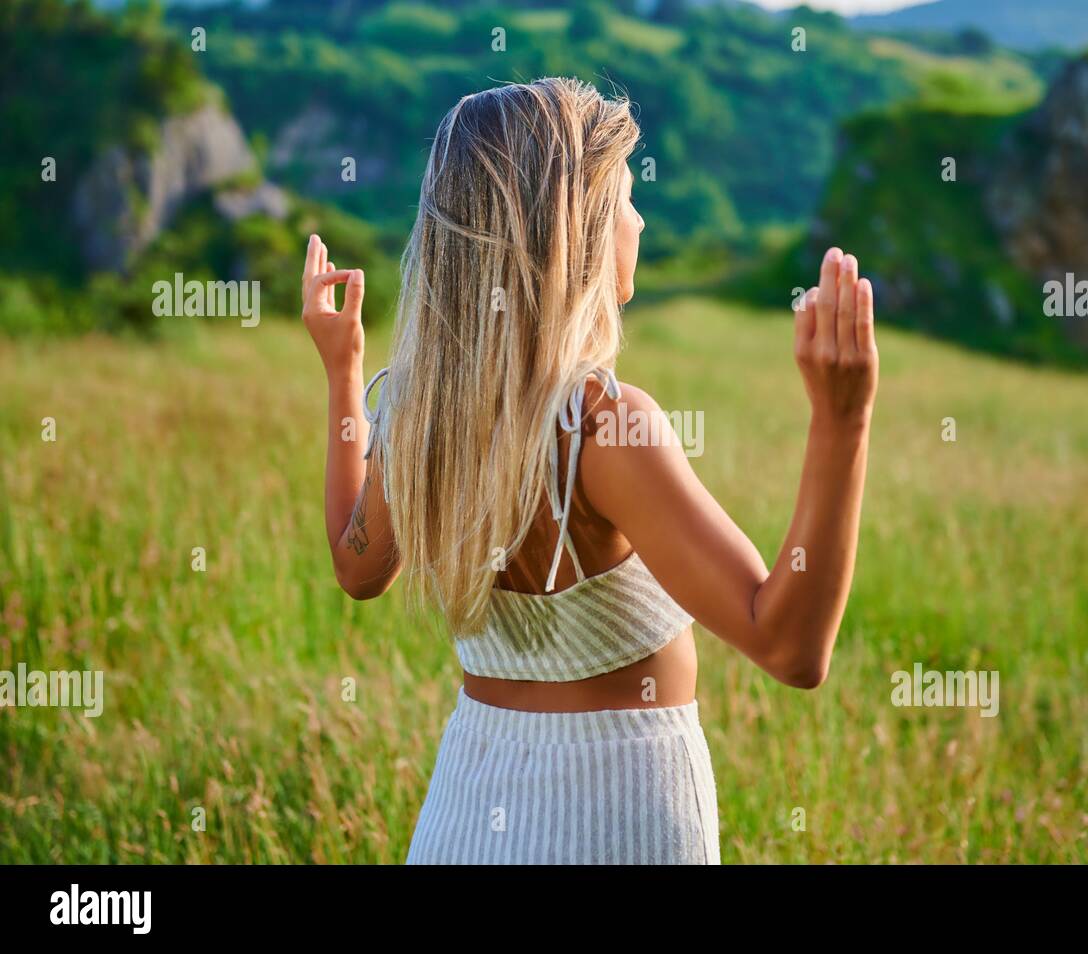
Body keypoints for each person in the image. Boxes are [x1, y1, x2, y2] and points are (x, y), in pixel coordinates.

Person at [300, 77, 878, 864]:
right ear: (576, 227)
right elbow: (791, 647)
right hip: (616, 817)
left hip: (465, 813)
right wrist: (843, 420)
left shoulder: (422, 417)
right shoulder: (603, 424)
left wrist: (344, 372)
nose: (639, 221)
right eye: (627, 199)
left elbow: (355, 566)